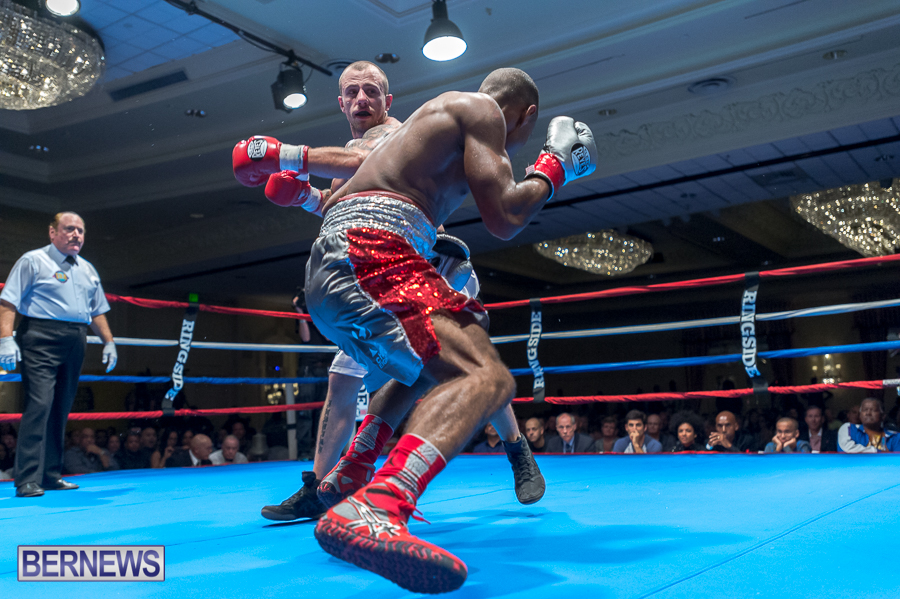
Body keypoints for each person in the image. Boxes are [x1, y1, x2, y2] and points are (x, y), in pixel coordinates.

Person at [302, 67, 596, 593]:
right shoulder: (481, 110)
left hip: (342, 262)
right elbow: (504, 217)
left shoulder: (435, 129)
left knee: (440, 358)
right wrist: (553, 167)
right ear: (526, 116)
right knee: (487, 378)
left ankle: (355, 468)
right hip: (373, 250)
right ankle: (377, 505)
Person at [236, 62, 542, 522]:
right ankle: (325, 486)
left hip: (421, 262)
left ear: (387, 101)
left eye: (371, 91)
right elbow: (343, 203)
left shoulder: (394, 132)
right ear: (341, 104)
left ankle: (515, 449)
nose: (362, 99)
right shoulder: (348, 151)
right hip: (368, 266)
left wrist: (288, 156)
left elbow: (366, 167)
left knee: (461, 361)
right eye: (352, 92)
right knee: (352, 376)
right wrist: (305, 197)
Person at [0, 212, 117, 498]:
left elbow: (97, 310)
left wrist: (109, 342)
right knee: (40, 404)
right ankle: (27, 479)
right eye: (69, 229)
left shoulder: (87, 268)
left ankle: (50, 475)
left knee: (61, 406)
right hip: (40, 336)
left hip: (76, 338)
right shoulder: (33, 260)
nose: (76, 234)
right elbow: (8, 301)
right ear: (53, 233)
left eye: (80, 230)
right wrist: (5, 339)